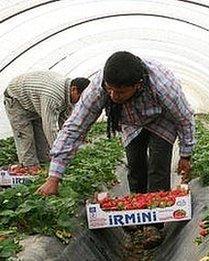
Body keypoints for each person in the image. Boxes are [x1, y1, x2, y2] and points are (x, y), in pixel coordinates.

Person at [36, 51, 195, 246]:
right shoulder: (98, 88)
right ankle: (137, 215)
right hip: (130, 122)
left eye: (120, 92)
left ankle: (154, 224)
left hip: (162, 120)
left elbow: (185, 119)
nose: (112, 95)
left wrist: (185, 154)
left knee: (158, 166)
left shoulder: (162, 86)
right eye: (109, 90)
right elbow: (75, 127)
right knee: (135, 165)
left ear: (137, 85)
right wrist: (54, 177)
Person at [3, 71, 90, 173]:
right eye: (81, 97)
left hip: (34, 102)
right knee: (26, 137)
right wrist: (60, 156)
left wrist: (72, 147)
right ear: (74, 89)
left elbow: (66, 125)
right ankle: (30, 169)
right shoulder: (53, 96)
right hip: (17, 99)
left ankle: (44, 166)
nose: (81, 101)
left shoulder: (68, 97)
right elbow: (50, 128)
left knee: (43, 144)